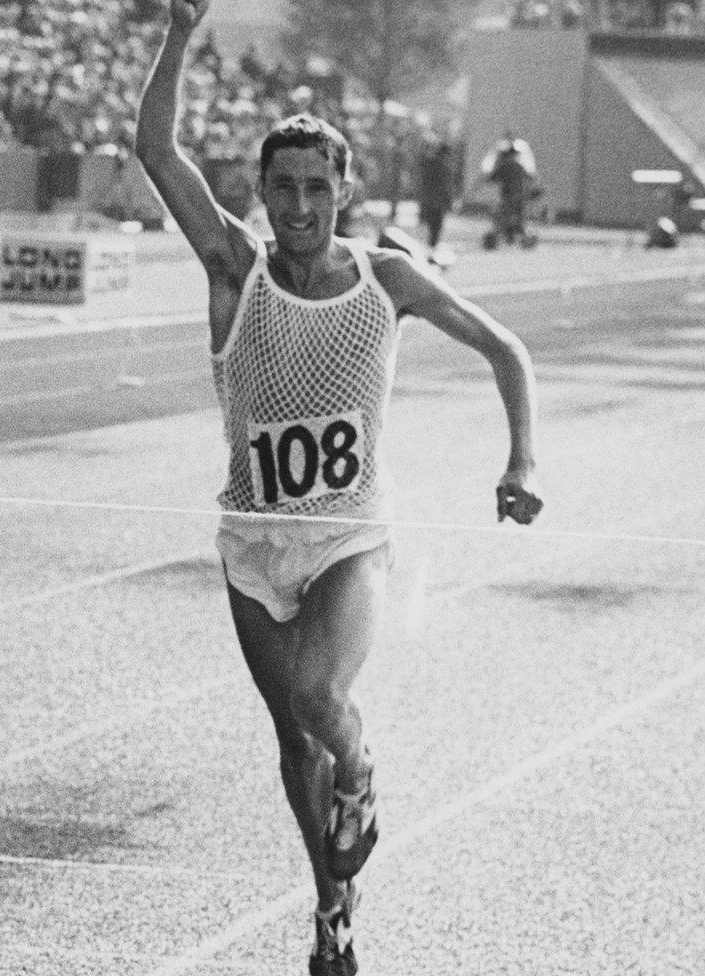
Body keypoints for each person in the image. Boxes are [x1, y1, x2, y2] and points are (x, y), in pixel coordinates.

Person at [135, 3, 544, 973]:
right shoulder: (235, 267)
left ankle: (362, 771)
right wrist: (181, 33)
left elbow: (506, 348)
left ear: (344, 189)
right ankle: (332, 912)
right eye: (283, 189)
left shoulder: (386, 279)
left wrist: (521, 459)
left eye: (318, 187)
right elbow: (154, 148)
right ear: (262, 192)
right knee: (291, 744)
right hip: (250, 544)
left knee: (323, 700)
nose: (301, 207)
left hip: (349, 536)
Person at [417, 138, 454, 250]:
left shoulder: (429, 163)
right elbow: (446, 185)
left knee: (431, 224)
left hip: (428, 198)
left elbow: (423, 180)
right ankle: (433, 246)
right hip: (439, 200)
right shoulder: (445, 166)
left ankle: (431, 245)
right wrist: (449, 200)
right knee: (436, 225)